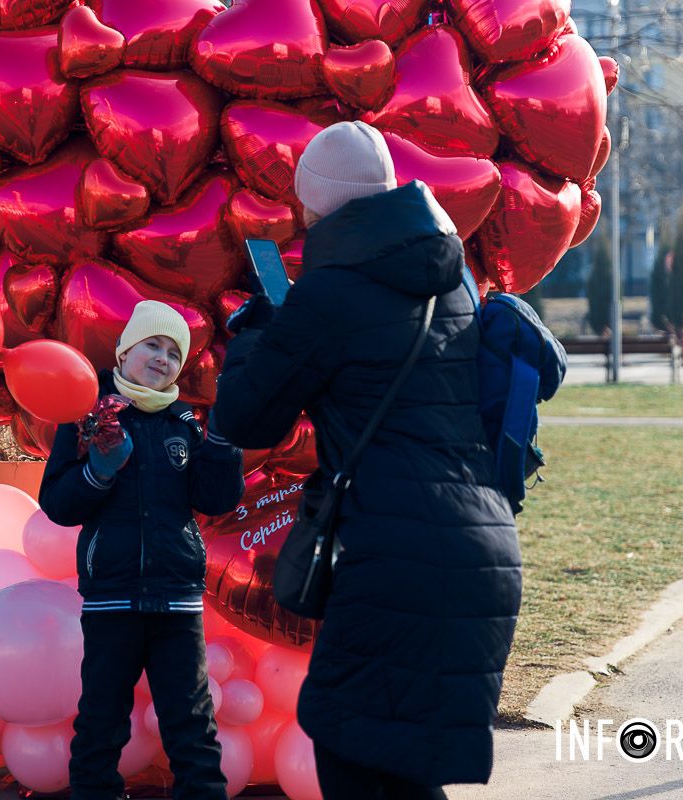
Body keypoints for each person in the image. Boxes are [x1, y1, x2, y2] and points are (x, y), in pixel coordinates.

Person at [213, 121, 520, 798]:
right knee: (396, 766)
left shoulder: (326, 295)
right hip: (481, 547)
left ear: (318, 205)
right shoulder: (454, 281)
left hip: (391, 553)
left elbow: (243, 418)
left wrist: (259, 333)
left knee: (352, 753)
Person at [38, 300, 245, 800]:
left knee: (192, 724)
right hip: (112, 597)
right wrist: (98, 473)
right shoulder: (88, 415)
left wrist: (224, 439)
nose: (162, 359)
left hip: (176, 599)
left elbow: (215, 499)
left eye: (174, 353)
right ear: (124, 350)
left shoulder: (185, 423)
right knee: (102, 720)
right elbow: (58, 504)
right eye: (152, 344)